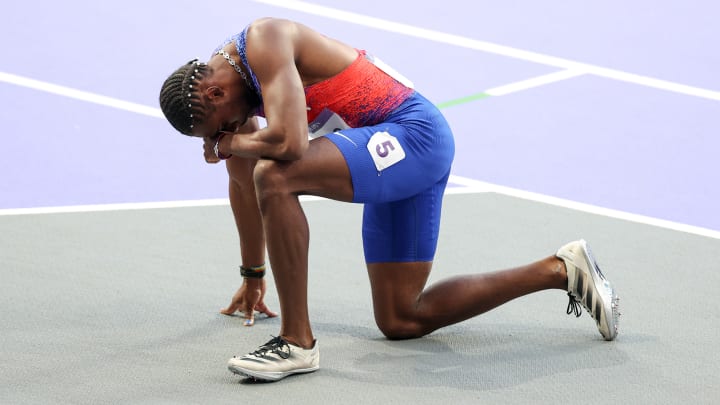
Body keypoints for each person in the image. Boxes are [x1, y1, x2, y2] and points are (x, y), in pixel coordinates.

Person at [158, 17, 620, 382]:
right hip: (383, 154)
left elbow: (290, 146)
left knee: (276, 174)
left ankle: (297, 342)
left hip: (413, 136)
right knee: (401, 318)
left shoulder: (265, 38)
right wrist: (253, 275)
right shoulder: (230, 93)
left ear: (216, 92)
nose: (223, 135)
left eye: (218, 126)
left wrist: (229, 144)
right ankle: (562, 269)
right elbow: (241, 183)